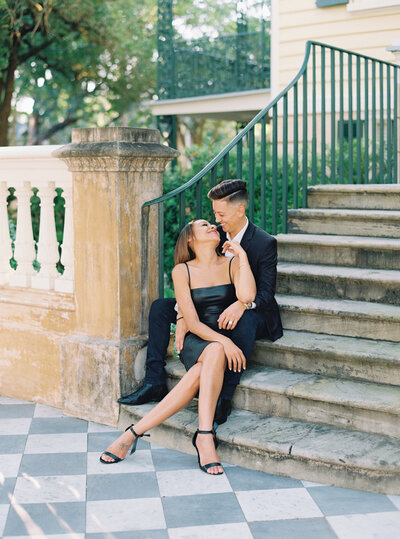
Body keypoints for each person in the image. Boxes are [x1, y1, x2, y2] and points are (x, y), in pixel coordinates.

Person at [118, 179, 283, 425]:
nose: (216, 220)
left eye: (221, 213)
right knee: (161, 307)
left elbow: (266, 293)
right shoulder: (214, 235)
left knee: (244, 320)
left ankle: (224, 396)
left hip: (251, 309)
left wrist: (241, 305)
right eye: (214, 213)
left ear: (240, 209)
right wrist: (184, 315)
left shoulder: (263, 242)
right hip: (214, 304)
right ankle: (154, 381)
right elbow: (202, 276)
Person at [100, 218, 256, 475]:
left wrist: (242, 255)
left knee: (199, 371)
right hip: (199, 339)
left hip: (220, 341)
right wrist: (225, 341)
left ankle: (133, 433)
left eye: (211, 224)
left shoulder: (232, 263)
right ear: (190, 239)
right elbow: (192, 322)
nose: (212, 226)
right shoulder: (182, 270)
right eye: (203, 225)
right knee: (215, 350)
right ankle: (205, 435)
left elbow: (247, 297)